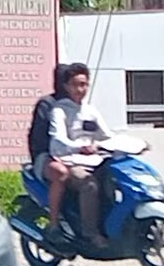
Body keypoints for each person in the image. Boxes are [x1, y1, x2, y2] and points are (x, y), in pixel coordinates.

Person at [27, 62, 114, 242]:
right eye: (74, 83)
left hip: (87, 159)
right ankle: (58, 225)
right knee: (71, 177)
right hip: (52, 156)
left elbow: (106, 135)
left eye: (83, 84)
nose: (79, 89)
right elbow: (54, 139)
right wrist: (75, 148)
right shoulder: (52, 107)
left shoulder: (89, 110)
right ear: (65, 83)